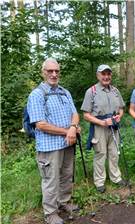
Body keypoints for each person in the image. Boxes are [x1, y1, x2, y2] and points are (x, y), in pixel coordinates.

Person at [27, 58, 80, 224]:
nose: (54, 74)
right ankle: (50, 213)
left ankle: (64, 203)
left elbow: (75, 113)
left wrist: (73, 126)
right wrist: (68, 131)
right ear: (43, 72)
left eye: (56, 71)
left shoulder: (65, 91)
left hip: (67, 143)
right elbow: (40, 124)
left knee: (66, 175)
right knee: (50, 179)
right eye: (50, 71)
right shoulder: (37, 94)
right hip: (49, 147)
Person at [81, 64, 126, 193]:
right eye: (103, 74)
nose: (106, 77)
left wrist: (119, 117)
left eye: (108, 74)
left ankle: (116, 178)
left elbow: (121, 109)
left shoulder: (115, 91)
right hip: (99, 127)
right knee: (100, 154)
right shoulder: (92, 91)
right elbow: (86, 115)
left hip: (114, 126)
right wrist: (101, 123)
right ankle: (99, 182)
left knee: (114, 153)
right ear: (98, 75)